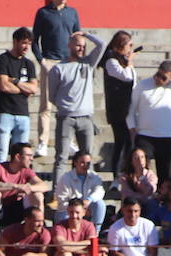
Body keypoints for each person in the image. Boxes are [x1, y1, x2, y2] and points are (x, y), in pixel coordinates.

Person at [46, 29, 103, 185]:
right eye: (78, 45)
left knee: (88, 157)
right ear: (70, 45)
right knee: (62, 157)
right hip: (66, 118)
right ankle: (57, 194)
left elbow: (101, 45)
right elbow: (52, 96)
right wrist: (66, 106)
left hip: (86, 118)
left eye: (83, 46)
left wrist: (86, 34)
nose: (81, 49)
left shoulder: (88, 63)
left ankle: (89, 188)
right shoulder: (58, 69)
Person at [127, 59, 171, 183]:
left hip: (166, 137)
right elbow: (131, 109)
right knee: (140, 168)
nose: (158, 79)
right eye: (158, 74)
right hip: (145, 135)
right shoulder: (142, 85)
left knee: (165, 174)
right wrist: (132, 128)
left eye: (163, 77)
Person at [31, 0, 79, 158]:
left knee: (68, 106)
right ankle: (43, 142)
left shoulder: (72, 13)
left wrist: (77, 60)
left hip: (68, 62)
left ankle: (70, 141)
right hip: (49, 61)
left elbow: (78, 37)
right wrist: (41, 61)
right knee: (46, 105)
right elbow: (34, 40)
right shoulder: (43, 13)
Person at [0, 26, 38, 167]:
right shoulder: (3, 60)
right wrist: (24, 89)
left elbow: (34, 88)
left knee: (22, 156)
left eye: (29, 43)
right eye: (24, 43)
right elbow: (3, 85)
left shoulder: (29, 64)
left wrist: (16, 82)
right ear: (15, 42)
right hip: (5, 111)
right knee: (2, 153)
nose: (26, 47)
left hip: (23, 113)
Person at [0, 141, 47, 234]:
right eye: (28, 155)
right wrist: (16, 186)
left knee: (38, 195)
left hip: (17, 206)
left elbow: (44, 186)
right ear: (17, 157)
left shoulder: (27, 171)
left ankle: (39, 228)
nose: (32, 159)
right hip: (0, 206)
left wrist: (28, 188)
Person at [99, 29, 136, 172]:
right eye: (129, 45)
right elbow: (126, 76)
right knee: (121, 142)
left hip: (127, 107)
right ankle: (116, 175)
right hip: (117, 110)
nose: (130, 49)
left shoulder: (121, 60)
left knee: (128, 143)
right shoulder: (111, 60)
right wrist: (130, 62)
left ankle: (126, 173)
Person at [53, 149, 106, 231]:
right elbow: (61, 200)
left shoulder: (94, 177)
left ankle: (96, 232)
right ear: (75, 163)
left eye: (88, 163)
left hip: (87, 210)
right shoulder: (66, 178)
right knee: (64, 217)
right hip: (68, 211)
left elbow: (99, 191)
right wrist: (79, 210)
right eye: (82, 162)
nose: (85, 165)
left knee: (100, 204)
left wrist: (89, 200)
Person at [118, 145, 157, 210]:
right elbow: (127, 194)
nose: (140, 160)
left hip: (147, 205)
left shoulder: (151, 175)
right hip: (131, 205)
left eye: (142, 157)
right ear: (131, 161)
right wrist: (142, 196)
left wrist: (142, 178)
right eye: (136, 158)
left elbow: (150, 191)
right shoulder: (124, 176)